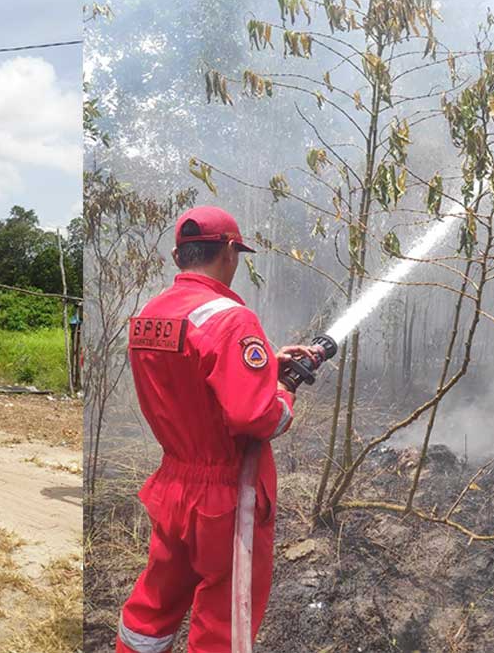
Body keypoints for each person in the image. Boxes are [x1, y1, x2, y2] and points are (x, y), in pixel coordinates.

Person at [115, 206, 322, 653]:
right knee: (225, 624)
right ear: (230, 250)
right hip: (227, 497)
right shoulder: (231, 318)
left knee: (153, 606)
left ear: (177, 256)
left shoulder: (150, 315)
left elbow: (193, 381)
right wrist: (283, 391)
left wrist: (266, 364)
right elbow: (257, 417)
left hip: (173, 486)